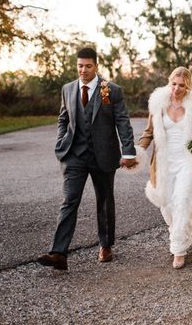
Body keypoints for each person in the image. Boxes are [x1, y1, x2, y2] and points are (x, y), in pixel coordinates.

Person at [37, 47, 137, 270]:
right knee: (69, 200)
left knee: (104, 201)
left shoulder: (112, 90)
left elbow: (122, 121)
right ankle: (59, 253)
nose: (83, 70)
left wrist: (128, 151)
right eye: (80, 66)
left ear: (96, 66)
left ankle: (105, 245)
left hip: (103, 155)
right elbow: (63, 119)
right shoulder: (68, 89)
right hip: (74, 156)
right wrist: (61, 141)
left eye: (88, 66)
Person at [137, 67, 192, 269]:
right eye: (174, 83)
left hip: (187, 161)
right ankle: (180, 233)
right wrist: (136, 151)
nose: (177, 88)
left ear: (187, 86)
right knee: (168, 206)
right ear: (169, 81)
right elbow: (148, 133)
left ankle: (178, 250)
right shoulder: (158, 104)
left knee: (182, 200)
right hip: (164, 163)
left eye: (182, 85)